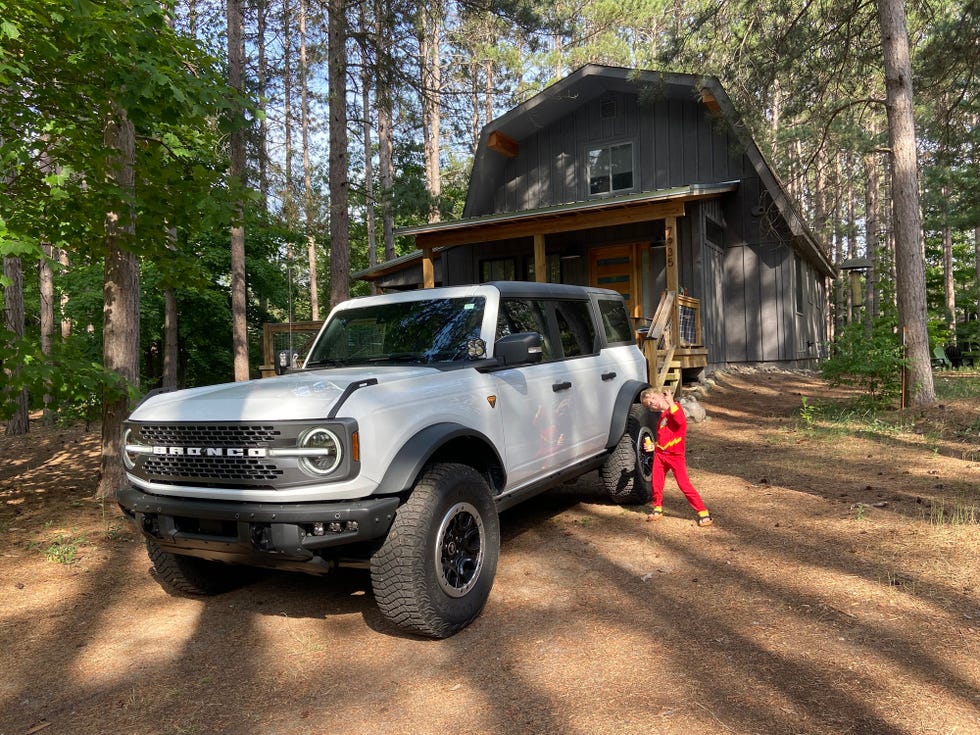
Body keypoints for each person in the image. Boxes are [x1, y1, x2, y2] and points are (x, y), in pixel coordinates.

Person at [639, 387, 713, 526]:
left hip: (675, 456)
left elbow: (680, 421)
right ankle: (657, 508)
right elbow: (664, 438)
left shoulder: (675, 409)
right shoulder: (661, 416)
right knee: (657, 482)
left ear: (661, 395)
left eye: (653, 399)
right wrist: (654, 446)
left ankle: (703, 512)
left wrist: (671, 403)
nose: (653, 403)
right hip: (661, 455)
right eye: (649, 404)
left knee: (684, 484)